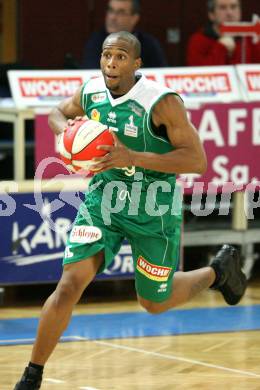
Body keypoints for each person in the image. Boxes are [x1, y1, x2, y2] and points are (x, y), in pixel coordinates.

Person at [14, 31, 247, 390]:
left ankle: (217, 272)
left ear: (136, 64)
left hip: (153, 209)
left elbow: (197, 160)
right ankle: (32, 375)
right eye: (107, 55)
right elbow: (57, 113)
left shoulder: (161, 103)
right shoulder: (91, 91)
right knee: (68, 286)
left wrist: (132, 156)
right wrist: (69, 135)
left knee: (153, 302)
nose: (111, 62)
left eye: (121, 56)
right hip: (103, 203)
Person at [82, 0, 168, 68]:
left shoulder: (149, 43)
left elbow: (161, 73)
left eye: (120, 12)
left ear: (134, 18)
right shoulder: (95, 41)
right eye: (111, 10)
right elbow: (91, 73)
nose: (113, 17)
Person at [186, 0, 260, 66]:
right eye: (222, 8)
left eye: (233, 7)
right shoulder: (198, 40)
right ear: (211, 15)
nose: (229, 13)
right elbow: (199, 73)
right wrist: (221, 48)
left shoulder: (251, 37)